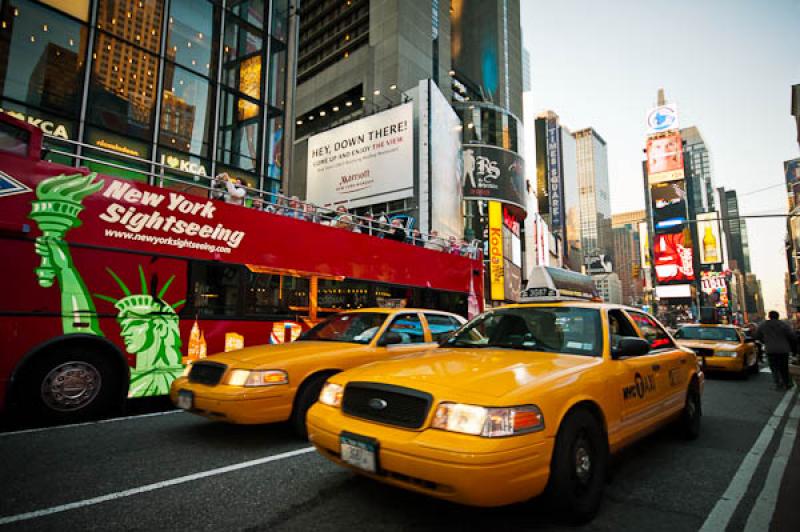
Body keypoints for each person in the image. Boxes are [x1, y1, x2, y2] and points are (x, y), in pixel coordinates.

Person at [755, 311, 796, 390]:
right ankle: (786, 383)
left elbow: (757, 336)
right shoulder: (784, 325)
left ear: (769, 316)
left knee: (774, 368)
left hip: (771, 350)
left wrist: (765, 341)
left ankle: (778, 384)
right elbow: (792, 336)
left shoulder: (763, 325)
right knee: (784, 367)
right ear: (778, 316)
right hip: (783, 349)